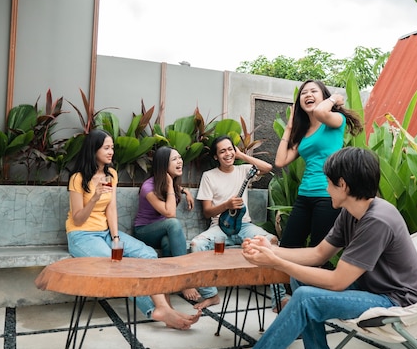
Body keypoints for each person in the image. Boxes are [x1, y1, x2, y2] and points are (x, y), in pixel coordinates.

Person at [201, 147, 417, 349]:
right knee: (302, 281)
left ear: (343, 185)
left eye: (328, 182)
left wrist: (277, 262)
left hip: (396, 300)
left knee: (306, 298)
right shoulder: (351, 211)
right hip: (372, 287)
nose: (326, 188)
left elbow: (337, 282)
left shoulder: (377, 220)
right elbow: (319, 254)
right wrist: (271, 250)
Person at [65, 129, 200, 330]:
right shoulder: (78, 178)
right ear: (94, 150)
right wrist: (94, 197)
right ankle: (153, 310)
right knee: (117, 265)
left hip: (105, 233)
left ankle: (164, 307)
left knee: (147, 254)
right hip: (81, 235)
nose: (111, 152)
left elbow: (111, 208)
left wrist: (116, 237)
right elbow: (77, 219)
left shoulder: (111, 174)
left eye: (112, 148)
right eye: (106, 148)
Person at [190, 135, 289, 311]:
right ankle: (211, 295)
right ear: (215, 157)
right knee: (196, 244)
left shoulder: (244, 170)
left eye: (230, 149)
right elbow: (207, 212)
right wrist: (226, 205)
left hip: (245, 226)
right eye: (222, 151)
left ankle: (278, 299)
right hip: (219, 227)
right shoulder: (209, 176)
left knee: (272, 240)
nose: (227, 154)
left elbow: (267, 167)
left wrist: (241, 155)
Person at [275, 79, 363, 248]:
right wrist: (289, 128)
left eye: (313, 91)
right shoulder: (304, 133)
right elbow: (280, 161)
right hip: (304, 195)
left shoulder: (335, 120)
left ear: (324, 96)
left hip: (327, 196)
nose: (308, 94)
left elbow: (321, 113)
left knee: (318, 251)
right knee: (288, 246)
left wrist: (334, 99)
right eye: (303, 93)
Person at [134, 145, 220, 308]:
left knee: (167, 243)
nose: (180, 161)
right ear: (163, 165)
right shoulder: (148, 187)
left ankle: (167, 286)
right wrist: (169, 186)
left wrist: (185, 191)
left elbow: (177, 190)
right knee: (173, 223)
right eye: (174, 159)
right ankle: (185, 279)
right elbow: (170, 213)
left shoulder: (171, 183)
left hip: (162, 232)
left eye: (180, 157)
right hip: (144, 231)